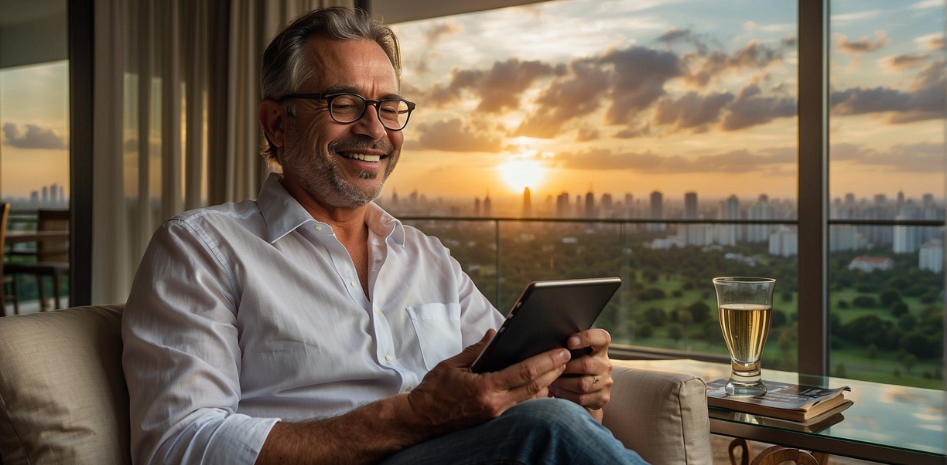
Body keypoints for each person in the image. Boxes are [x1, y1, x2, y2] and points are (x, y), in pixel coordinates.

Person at [122, 7, 648, 465]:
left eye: (389, 107)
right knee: (548, 433)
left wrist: (557, 381)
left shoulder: (426, 256)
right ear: (276, 124)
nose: (374, 129)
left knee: (553, 421)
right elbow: (178, 445)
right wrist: (413, 417)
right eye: (343, 103)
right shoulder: (201, 249)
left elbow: (502, 381)